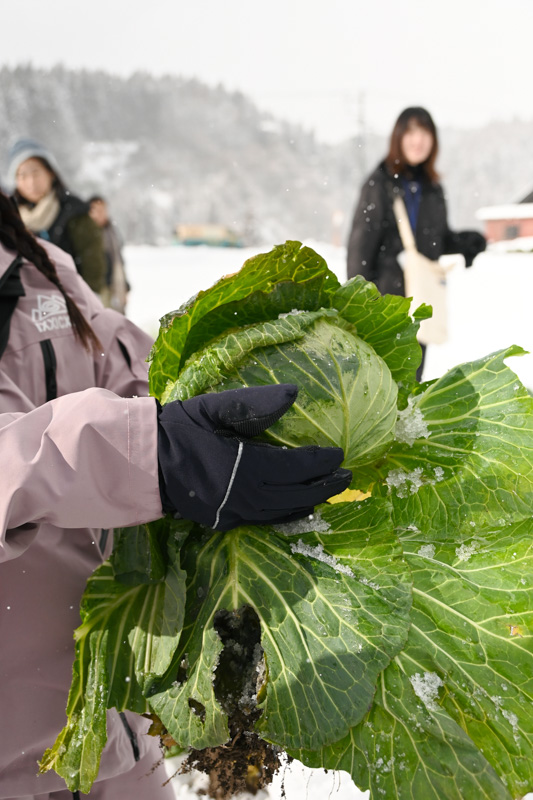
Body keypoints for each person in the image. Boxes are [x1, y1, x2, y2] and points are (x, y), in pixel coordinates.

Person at [0, 191, 351, 799]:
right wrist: (146, 454)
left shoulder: (35, 266)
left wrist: (220, 395)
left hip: (113, 705)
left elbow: (120, 365)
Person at [346, 106, 486, 379]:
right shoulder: (379, 184)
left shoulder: (433, 189)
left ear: (433, 141)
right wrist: (362, 310)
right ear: (398, 137)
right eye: (410, 132)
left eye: (425, 133)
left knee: (411, 383)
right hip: (385, 306)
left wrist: (465, 242)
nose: (418, 140)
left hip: (419, 302)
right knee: (379, 385)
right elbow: (360, 251)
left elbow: (435, 241)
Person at [4, 138, 107, 296]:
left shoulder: (75, 213)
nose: (31, 182)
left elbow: (93, 271)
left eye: (36, 173)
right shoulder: (9, 217)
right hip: (23, 308)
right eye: (22, 175)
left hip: (70, 305)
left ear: (51, 173)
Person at [88, 195, 130, 314]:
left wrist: (126, 286)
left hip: (114, 283)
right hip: (96, 286)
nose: (100, 214)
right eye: (96, 210)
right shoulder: (86, 233)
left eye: (103, 210)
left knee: (117, 318)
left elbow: (119, 259)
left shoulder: (112, 231)